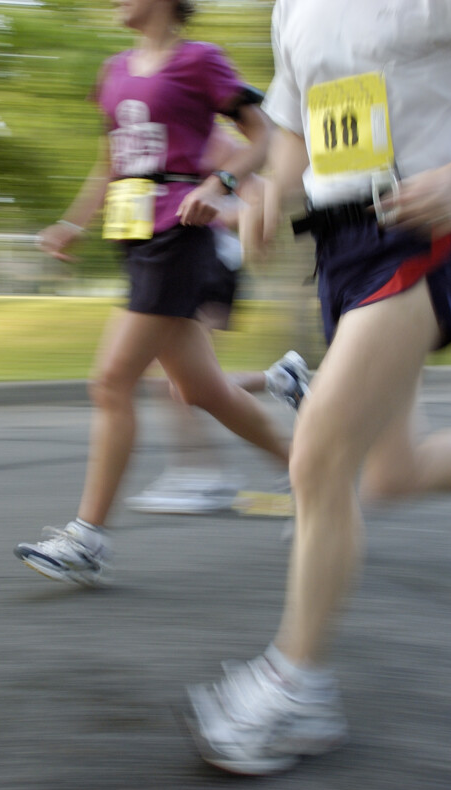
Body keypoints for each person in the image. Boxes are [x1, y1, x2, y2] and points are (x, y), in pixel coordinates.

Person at [186, 0, 451, 775]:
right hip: (340, 244)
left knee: (318, 457)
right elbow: (292, 128)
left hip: (424, 224)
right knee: (393, 469)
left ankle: (296, 689)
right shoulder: (296, 7)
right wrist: (264, 196)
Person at [14, 0, 292, 585]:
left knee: (110, 380)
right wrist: (73, 223)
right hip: (132, 235)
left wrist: (221, 183)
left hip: (180, 234)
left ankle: (87, 538)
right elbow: (109, 163)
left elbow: (261, 135)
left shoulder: (201, 61)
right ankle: (315, 477)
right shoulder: (114, 69)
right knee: (204, 389)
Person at [127, 128, 311, 515]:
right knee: (184, 381)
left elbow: (259, 197)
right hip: (176, 261)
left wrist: (215, 212)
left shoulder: (211, 137)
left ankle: (204, 476)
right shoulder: (154, 136)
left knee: (177, 383)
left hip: (210, 261)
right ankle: (278, 381)